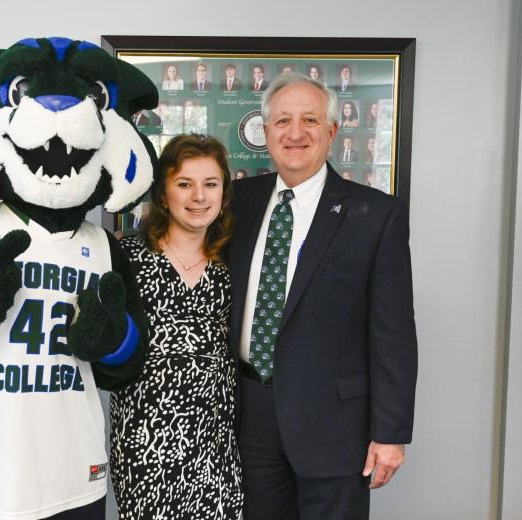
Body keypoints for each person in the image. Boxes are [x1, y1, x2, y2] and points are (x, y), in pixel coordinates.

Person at [228, 73, 416, 519]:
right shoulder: (238, 201)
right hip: (250, 416)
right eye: (282, 121)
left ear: (331, 132)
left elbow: (393, 334)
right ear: (266, 131)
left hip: (335, 425)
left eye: (310, 120)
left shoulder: (375, 215)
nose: (295, 133)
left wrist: (390, 433)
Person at [110, 135, 243, 520]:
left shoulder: (235, 261)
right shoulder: (126, 257)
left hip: (215, 447)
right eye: (184, 184)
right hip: (144, 444)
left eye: (210, 184)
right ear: (163, 194)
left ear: (223, 192)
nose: (199, 196)